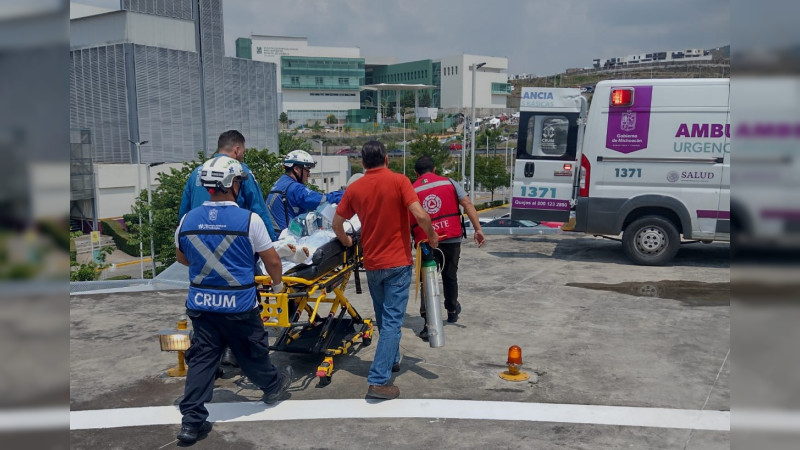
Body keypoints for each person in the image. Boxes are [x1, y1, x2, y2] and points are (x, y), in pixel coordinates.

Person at [174, 156, 292, 444]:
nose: (240, 185)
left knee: (203, 360)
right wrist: (278, 289)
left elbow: (181, 257)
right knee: (250, 352)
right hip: (239, 305)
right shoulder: (248, 220)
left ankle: (191, 423)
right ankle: (273, 385)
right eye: (238, 181)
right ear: (230, 184)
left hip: (201, 305)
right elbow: (273, 261)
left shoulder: (187, 221)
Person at [332, 141, 438, 400]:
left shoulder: (354, 188)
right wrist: (432, 236)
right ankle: (378, 381)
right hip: (398, 264)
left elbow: (337, 223)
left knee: (384, 321)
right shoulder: (400, 181)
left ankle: (390, 358)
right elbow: (420, 215)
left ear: (363, 163)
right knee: (392, 323)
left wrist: (346, 242)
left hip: (372, 265)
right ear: (387, 159)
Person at [410, 156, 486, 341]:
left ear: (416, 173)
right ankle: (452, 309)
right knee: (450, 276)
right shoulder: (449, 182)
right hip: (451, 237)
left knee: (426, 281)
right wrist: (478, 229)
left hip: (426, 241)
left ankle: (428, 324)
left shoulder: (412, 189)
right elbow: (467, 203)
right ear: (434, 168)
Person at [179, 130, 277, 241]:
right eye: (243, 152)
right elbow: (258, 208)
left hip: (197, 240)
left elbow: (184, 212)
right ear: (237, 150)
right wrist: (272, 241)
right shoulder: (240, 171)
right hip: (231, 240)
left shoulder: (197, 172)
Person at [266, 150, 344, 234]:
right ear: (296, 169)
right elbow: (321, 200)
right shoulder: (295, 188)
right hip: (285, 240)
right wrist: (346, 194)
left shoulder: (280, 183)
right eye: (307, 170)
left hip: (274, 235)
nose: (309, 175)